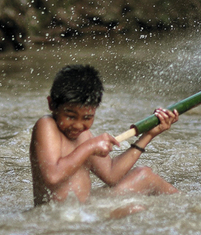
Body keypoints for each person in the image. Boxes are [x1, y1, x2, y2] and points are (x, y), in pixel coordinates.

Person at [30, 64, 179, 206]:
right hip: (63, 218)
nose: (78, 125)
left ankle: (190, 207)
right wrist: (90, 147)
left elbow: (112, 175)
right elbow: (53, 176)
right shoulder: (47, 125)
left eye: (87, 118)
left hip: (84, 209)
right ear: (51, 104)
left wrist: (149, 135)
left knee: (144, 174)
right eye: (70, 116)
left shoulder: (84, 134)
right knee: (134, 208)